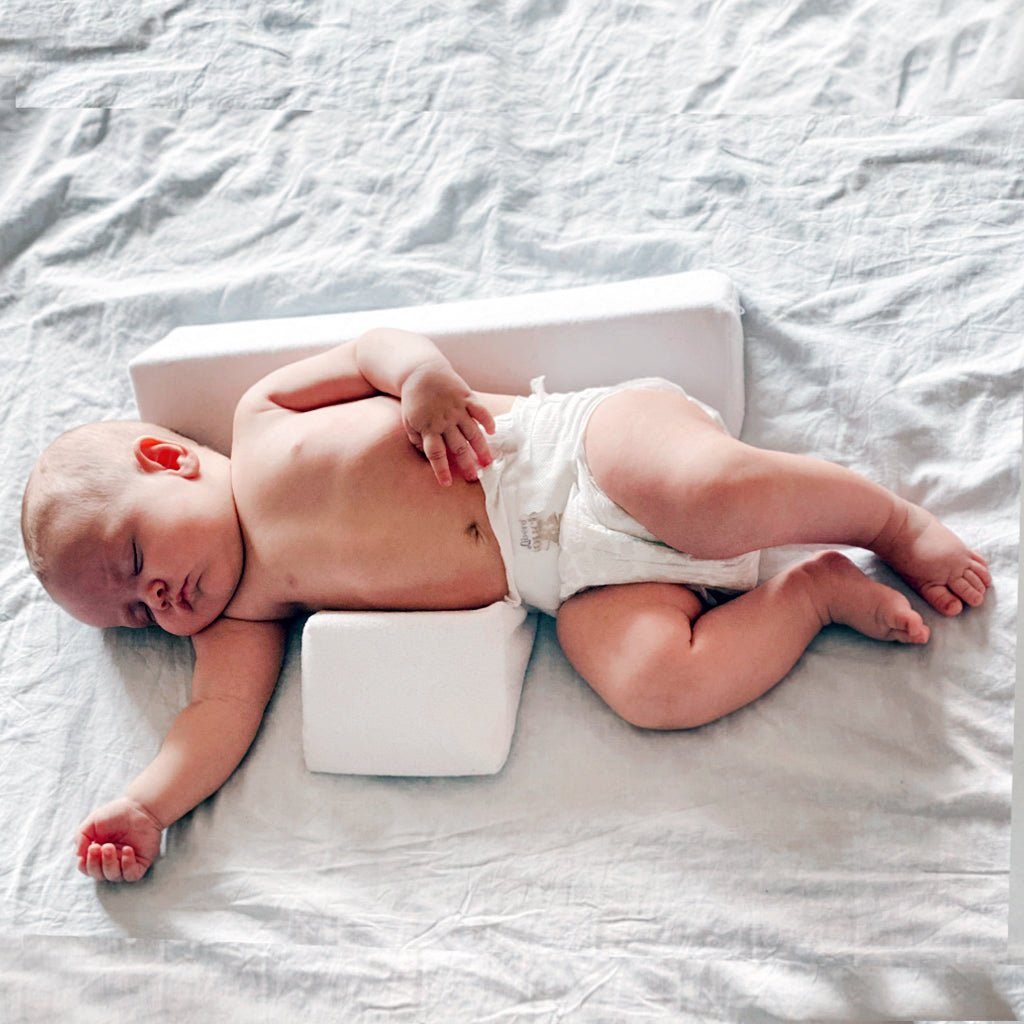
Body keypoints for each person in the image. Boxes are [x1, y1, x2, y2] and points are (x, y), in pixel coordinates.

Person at [20, 327, 991, 883]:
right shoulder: (242, 616)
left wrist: (422, 382)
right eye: (137, 616)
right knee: (651, 684)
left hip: (574, 450)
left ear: (168, 460)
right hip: (565, 581)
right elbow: (215, 719)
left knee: (710, 501)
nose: (156, 596)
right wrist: (147, 806)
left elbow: (372, 350)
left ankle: (890, 520)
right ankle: (812, 593)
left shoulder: (262, 421)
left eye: (137, 555)